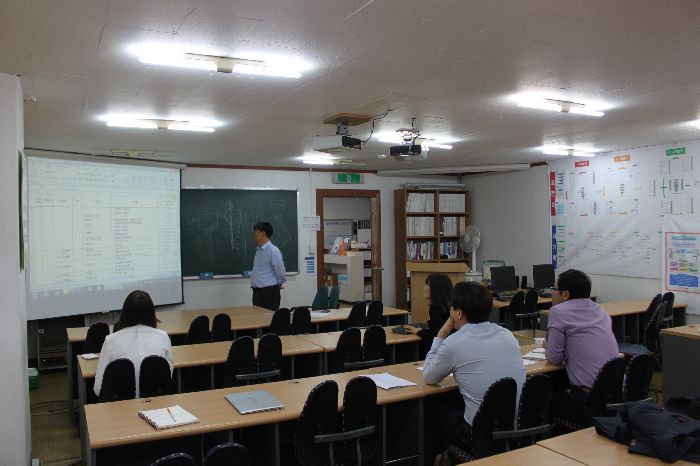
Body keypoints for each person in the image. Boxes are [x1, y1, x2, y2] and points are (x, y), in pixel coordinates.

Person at [423, 282, 525, 457]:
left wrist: (441, 334)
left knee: (431, 405)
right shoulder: (507, 335)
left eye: (452, 307)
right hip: (513, 431)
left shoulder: (453, 343)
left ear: (459, 313)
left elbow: (429, 377)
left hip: (477, 437)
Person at [544, 269, 620, 420]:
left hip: (587, 399)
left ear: (565, 294)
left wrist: (550, 346)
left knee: (540, 399)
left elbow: (554, 359)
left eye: (553, 289)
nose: (551, 292)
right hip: (614, 396)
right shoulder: (600, 310)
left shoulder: (558, 311)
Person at [93, 290, 173, 398]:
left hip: (121, 405)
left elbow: (99, 388)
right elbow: (167, 376)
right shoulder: (163, 337)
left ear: (125, 313)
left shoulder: (110, 340)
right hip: (157, 405)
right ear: (152, 313)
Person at [251, 221, 286, 310]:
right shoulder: (259, 250)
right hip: (257, 293)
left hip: (269, 293)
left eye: (255, 232)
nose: (253, 235)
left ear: (263, 233)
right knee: (257, 318)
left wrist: (279, 283)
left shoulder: (273, 250)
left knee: (269, 318)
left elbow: (280, 270)